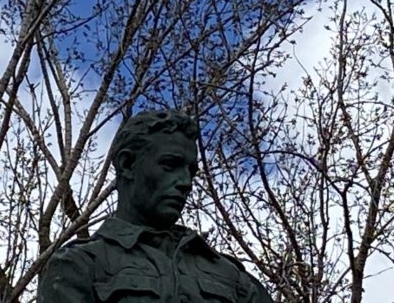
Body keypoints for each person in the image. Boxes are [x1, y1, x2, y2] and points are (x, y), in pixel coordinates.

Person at [38, 109, 273, 302]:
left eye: (191, 172)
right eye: (170, 165)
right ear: (127, 164)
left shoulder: (231, 276)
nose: (186, 183)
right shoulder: (80, 264)